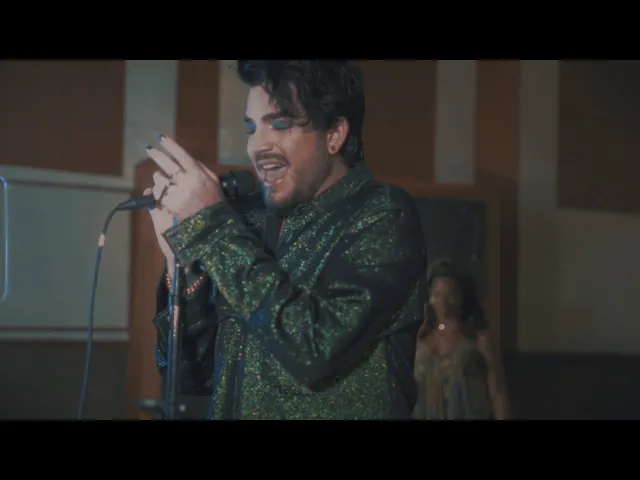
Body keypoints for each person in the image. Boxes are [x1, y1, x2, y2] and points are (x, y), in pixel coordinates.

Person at [144, 60, 428, 419]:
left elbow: (316, 350)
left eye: (279, 124)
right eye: (251, 128)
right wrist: (181, 266)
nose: (257, 146)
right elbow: (189, 375)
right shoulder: (245, 224)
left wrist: (212, 227)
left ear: (335, 134)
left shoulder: (383, 214)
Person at [413, 259, 510, 420]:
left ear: (462, 297)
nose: (443, 302)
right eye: (437, 294)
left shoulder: (477, 337)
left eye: (450, 295)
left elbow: (497, 390)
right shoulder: (420, 336)